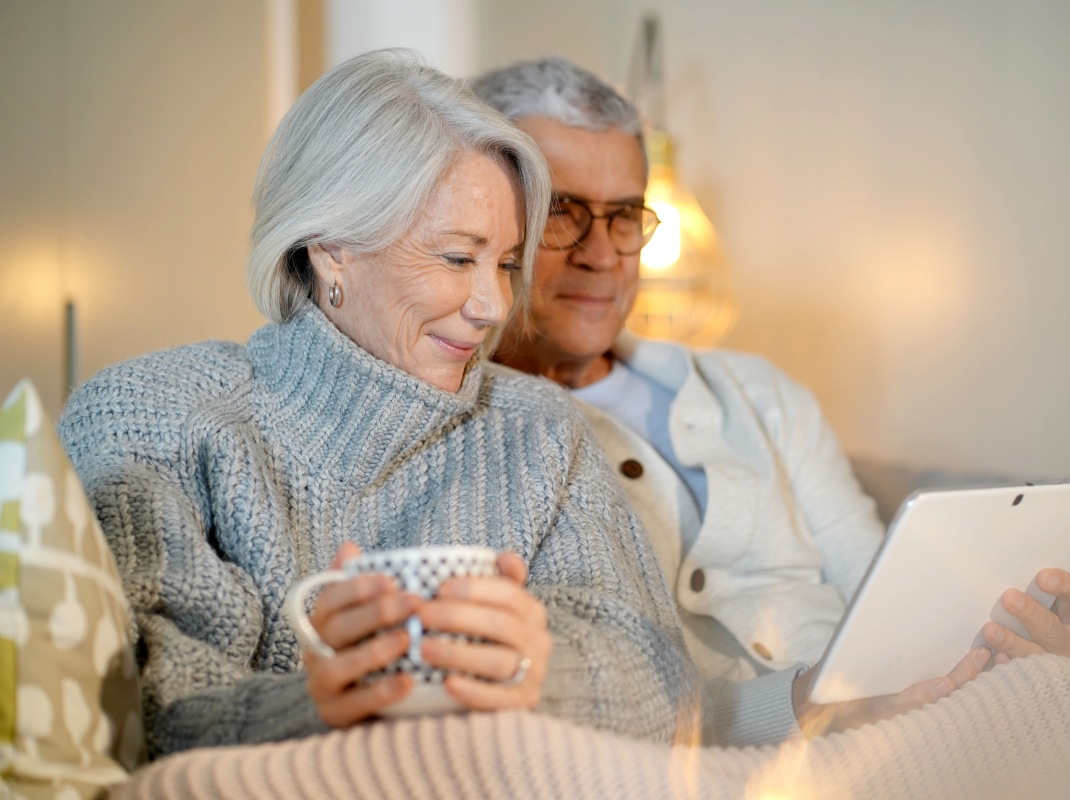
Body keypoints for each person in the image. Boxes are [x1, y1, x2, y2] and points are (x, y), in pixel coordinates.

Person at [58, 49, 696, 760]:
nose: (492, 307)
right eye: (458, 258)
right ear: (332, 248)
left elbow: (665, 681)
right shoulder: (151, 418)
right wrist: (313, 707)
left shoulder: (540, 429)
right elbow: (139, 706)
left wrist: (542, 671)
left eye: (508, 264)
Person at [472, 57, 1070, 745]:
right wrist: (811, 708)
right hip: (743, 755)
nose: (601, 254)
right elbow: (589, 699)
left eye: (623, 217)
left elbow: (877, 584)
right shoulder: (478, 432)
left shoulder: (759, 393)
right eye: (562, 212)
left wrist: (1000, 643)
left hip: (908, 718)